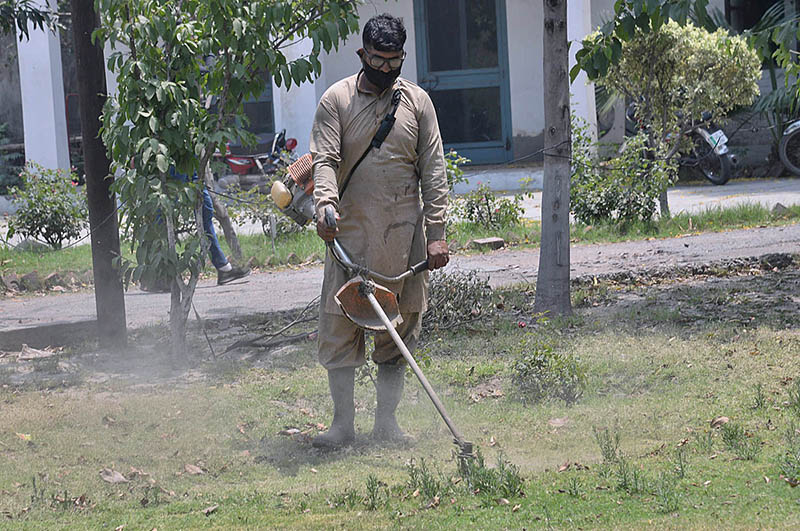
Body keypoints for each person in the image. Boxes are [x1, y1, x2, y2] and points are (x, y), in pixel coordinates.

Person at [310, 13, 449, 449]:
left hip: (404, 243)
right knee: (340, 329)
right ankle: (342, 426)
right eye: (378, 60)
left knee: (398, 331)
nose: (386, 69)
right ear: (362, 54)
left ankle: (386, 423)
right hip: (348, 239)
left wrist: (438, 232)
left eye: (394, 61)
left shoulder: (418, 103)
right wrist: (325, 203)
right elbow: (325, 160)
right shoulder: (336, 100)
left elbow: (434, 170)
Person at [140, 168, 250, 291]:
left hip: (192, 163)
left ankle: (223, 268)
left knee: (205, 211)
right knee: (164, 213)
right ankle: (157, 274)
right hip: (176, 160)